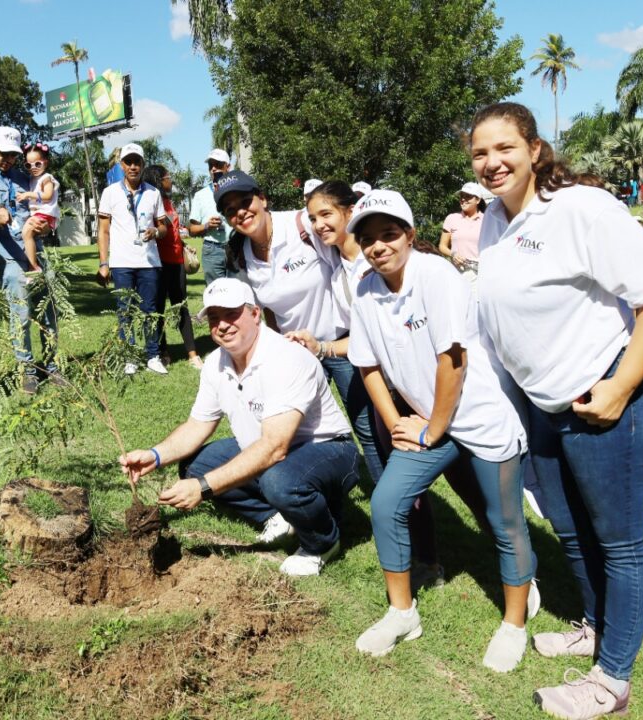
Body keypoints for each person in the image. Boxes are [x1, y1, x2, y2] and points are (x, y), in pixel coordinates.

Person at [472, 102, 643, 718]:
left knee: (621, 543)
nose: (492, 163)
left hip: (602, 402)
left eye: (504, 148)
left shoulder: (583, 210)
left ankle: (612, 681)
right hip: (543, 407)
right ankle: (595, 626)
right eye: (480, 153)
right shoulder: (491, 220)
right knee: (570, 530)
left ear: (535, 150)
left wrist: (621, 386)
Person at [345, 190, 536, 672]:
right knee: (387, 502)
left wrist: (431, 429)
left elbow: (453, 362)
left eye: (389, 234)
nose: (378, 246)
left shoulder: (437, 276)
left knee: (504, 520)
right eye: (368, 239)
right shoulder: (365, 290)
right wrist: (395, 425)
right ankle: (402, 613)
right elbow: (368, 366)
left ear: (411, 235)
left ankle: (515, 620)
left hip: (475, 417)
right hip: (429, 424)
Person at [303, 181, 493, 588]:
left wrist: (324, 347)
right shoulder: (339, 269)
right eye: (313, 217)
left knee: (469, 481)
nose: (319, 225)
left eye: (327, 215)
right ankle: (426, 559)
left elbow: (445, 350)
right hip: (391, 394)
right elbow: (365, 346)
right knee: (403, 481)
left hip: (438, 393)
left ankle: (505, 554)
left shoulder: (405, 268)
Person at [120, 278, 360, 576]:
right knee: (196, 464)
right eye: (214, 318)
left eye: (231, 314)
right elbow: (198, 424)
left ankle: (322, 543)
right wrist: (154, 456)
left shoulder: (286, 358)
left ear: (255, 314)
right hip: (266, 447)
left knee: (279, 480)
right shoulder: (215, 363)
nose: (222, 325)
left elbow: (274, 447)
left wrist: (204, 488)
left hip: (327, 450)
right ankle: (277, 515)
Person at [216, 170, 387, 490]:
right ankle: (310, 493)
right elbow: (266, 307)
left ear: (262, 199)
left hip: (341, 344)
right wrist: (277, 347)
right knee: (298, 429)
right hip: (295, 353)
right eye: (230, 210)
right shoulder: (242, 251)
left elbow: (349, 251)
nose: (240, 211)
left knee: (366, 426)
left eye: (245, 201)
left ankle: (388, 501)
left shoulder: (302, 226)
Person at [0, 125, 56, 395]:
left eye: (14, 155)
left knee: (49, 312)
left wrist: (48, 227)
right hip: (8, 255)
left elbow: (45, 204)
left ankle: (53, 366)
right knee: (22, 314)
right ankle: (27, 371)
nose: (9, 160)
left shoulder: (23, 175)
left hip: (37, 250)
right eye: (4, 154)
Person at [97, 144, 169, 376]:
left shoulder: (153, 193)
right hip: (121, 262)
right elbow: (103, 231)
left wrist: (156, 233)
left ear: (143, 164)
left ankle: (152, 355)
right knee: (125, 310)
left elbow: (163, 227)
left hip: (149, 262)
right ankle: (129, 355)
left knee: (150, 310)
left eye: (137, 161)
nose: (133, 166)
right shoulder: (110, 193)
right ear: (122, 165)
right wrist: (103, 263)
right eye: (129, 162)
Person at [142, 164, 204, 370]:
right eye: (168, 177)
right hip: (159, 263)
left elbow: (174, 230)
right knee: (158, 308)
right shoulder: (151, 203)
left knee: (181, 308)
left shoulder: (168, 202)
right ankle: (163, 352)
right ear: (159, 181)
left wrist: (184, 246)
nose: (171, 181)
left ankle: (192, 353)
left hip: (177, 261)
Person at [188, 148, 235, 285]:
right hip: (212, 250)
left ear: (228, 167)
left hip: (235, 246)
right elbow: (192, 229)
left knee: (240, 292)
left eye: (218, 165)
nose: (214, 169)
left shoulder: (237, 191)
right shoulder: (200, 195)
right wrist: (207, 226)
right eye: (211, 166)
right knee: (217, 296)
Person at [16, 141, 59, 273]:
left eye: (37, 164)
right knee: (28, 234)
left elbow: (47, 196)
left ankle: (33, 266)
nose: (33, 167)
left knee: (26, 233)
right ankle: (33, 265)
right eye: (28, 165)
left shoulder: (46, 178)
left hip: (45, 213)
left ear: (45, 162)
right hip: (39, 214)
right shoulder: (32, 179)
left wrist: (28, 194)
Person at [439, 182, 489, 280]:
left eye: (468, 197)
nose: (463, 199)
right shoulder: (451, 218)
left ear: (478, 200)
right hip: (456, 273)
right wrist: (453, 254)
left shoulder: (487, 220)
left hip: (478, 274)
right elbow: (442, 246)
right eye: (461, 196)